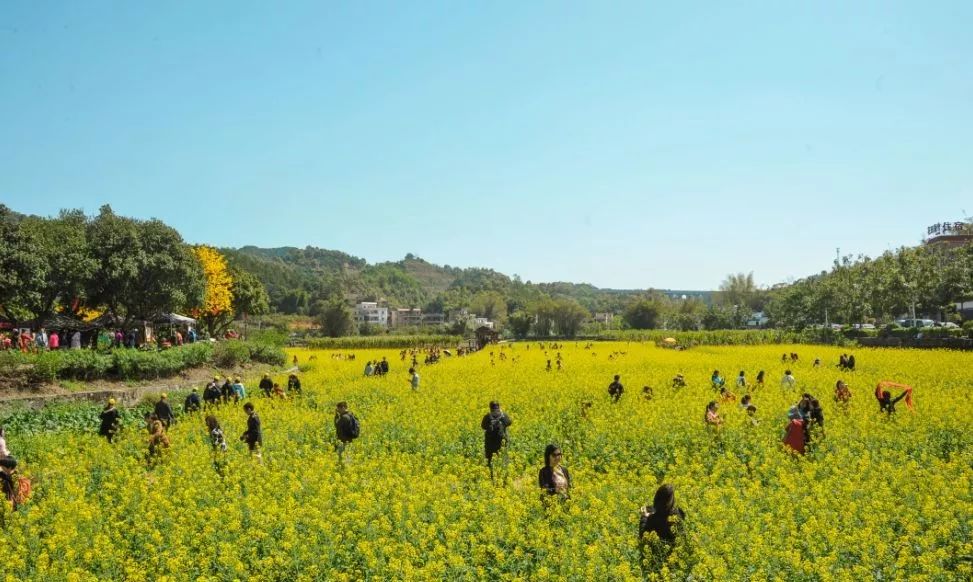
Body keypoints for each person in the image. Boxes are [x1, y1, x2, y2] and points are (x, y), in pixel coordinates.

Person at [481, 401, 512, 480]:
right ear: (490, 410)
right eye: (494, 410)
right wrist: (490, 425)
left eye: (497, 410)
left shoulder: (503, 415)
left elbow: (509, 422)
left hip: (502, 443)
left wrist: (501, 418)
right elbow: (483, 426)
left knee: (502, 460)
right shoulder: (487, 417)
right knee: (490, 460)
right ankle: (490, 477)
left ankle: (503, 477)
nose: (495, 412)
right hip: (490, 444)